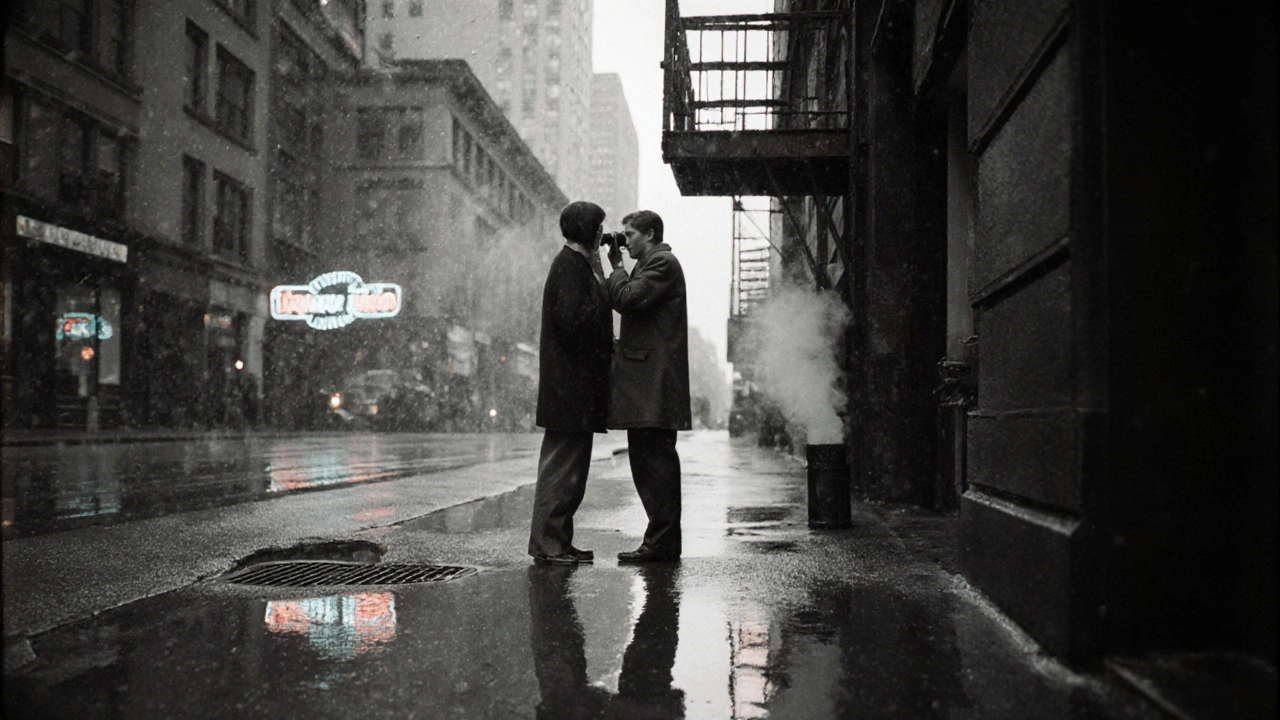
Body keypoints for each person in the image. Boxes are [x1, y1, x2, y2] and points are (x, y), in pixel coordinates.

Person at [527, 201, 614, 566]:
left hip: (576, 390)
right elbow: (573, 323)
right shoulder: (568, 266)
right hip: (570, 389)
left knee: (572, 475)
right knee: (561, 472)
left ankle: (559, 541)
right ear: (590, 231)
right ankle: (549, 544)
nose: (601, 234)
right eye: (599, 228)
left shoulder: (577, 265)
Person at [605, 210, 691, 563]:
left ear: (650, 234)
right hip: (648, 382)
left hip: (654, 383)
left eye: (630, 235)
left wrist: (615, 266)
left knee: (655, 464)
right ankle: (660, 541)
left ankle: (662, 543)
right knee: (647, 462)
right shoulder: (651, 264)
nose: (625, 241)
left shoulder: (663, 263)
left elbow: (626, 299)